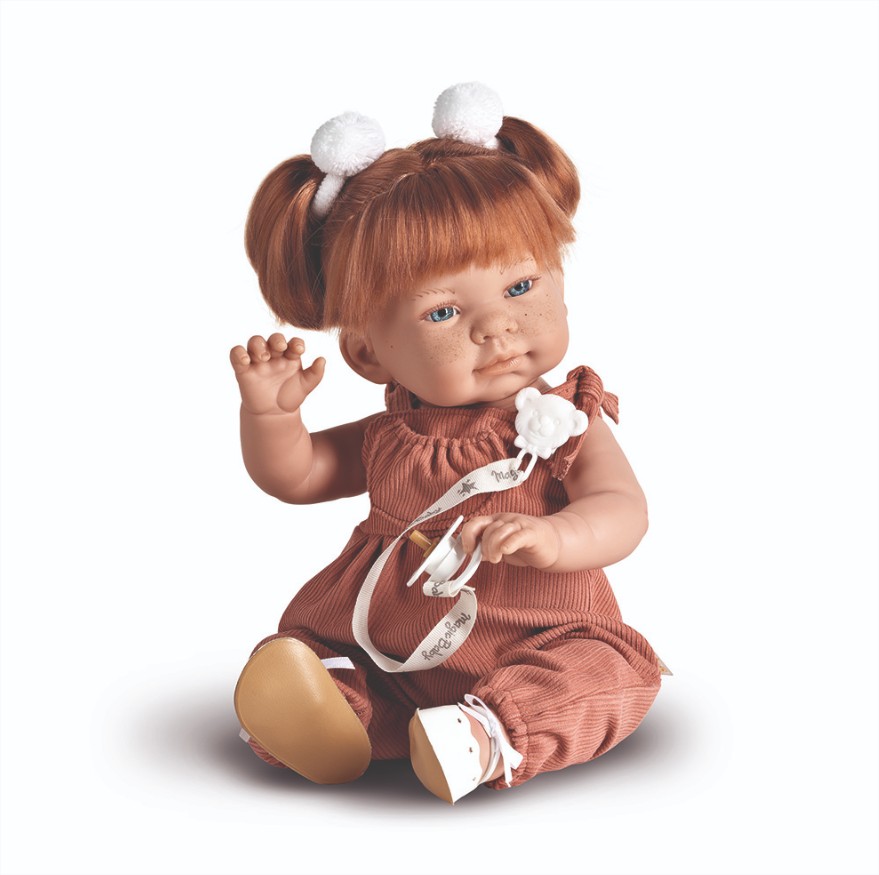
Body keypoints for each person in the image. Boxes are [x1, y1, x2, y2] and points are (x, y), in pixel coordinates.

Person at [230, 83, 664, 803]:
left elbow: (623, 508)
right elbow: (299, 476)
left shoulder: (561, 419)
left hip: (535, 633)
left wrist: (558, 536)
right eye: (442, 311)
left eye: (520, 286)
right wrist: (272, 418)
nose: (496, 326)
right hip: (386, 639)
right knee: (325, 657)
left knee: (612, 671)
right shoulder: (392, 432)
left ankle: (486, 733)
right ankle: (335, 710)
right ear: (367, 352)